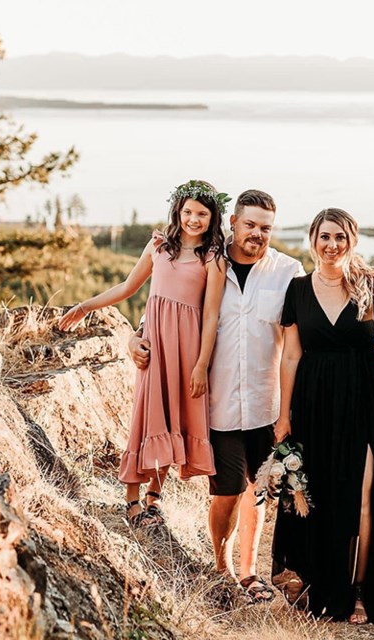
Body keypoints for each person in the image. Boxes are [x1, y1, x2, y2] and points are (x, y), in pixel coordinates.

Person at [128, 189, 304, 600]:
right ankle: (220, 564)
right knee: (225, 491)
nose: (257, 234)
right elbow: (165, 306)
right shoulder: (209, 260)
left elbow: (303, 341)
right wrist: (134, 339)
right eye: (250, 225)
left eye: (265, 228)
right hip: (217, 403)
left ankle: (247, 572)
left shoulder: (288, 272)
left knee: (256, 491)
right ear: (232, 224)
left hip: (265, 404)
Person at [59, 179, 228, 527]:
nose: (193, 219)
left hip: (189, 350)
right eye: (187, 212)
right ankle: (131, 499)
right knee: (148, 416)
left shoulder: (213, 259)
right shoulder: (158, 247)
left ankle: (155, 496)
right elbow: (127, 287)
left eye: (202, 213)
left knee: (174, 418)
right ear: (177, 212)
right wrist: (85, 306)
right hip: (157, 347)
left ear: (213, 217)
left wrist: (201, 365)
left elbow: (211, 314)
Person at [272, 208, 374, 624]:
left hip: (364, 401)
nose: (332, 245)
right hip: (312, 404)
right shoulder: (295, 290)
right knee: (318, 497)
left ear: (352, 241)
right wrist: (283, 415)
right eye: (325, 236)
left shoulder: (373, 285)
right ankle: (318, 588)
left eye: (340, 237)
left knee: (364, 497)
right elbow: (291, 356)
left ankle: (362, 592)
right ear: (313, 238)